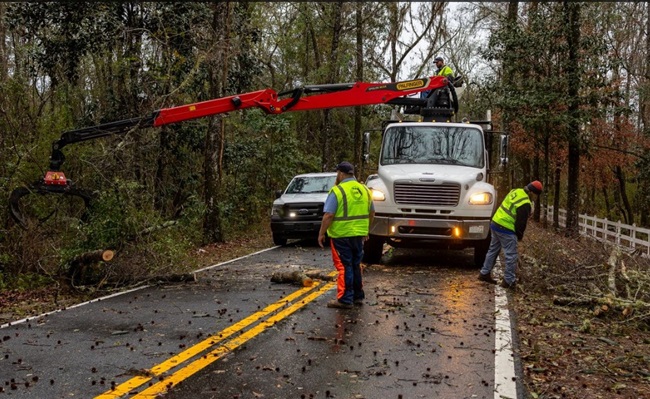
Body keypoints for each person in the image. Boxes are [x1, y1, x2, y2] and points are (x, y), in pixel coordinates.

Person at [318, 161, 375, 309]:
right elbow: (372, 212)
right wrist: (366, 229)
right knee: (356, 265)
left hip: (341, 235)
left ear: (341, 174)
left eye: (337, 173)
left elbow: (329, 215)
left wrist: (321, 233)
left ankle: (344, 299)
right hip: (359, 234)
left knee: (344, 266)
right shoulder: (364, 189)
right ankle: (358, 296)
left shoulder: (338, 191)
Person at [478, 180, 543, 289]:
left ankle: (484, 273)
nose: (535, 198)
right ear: (532, 193)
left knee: (492, 250)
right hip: (506, 228)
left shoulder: (515, 191)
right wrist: (519, 235)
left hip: (496, 222)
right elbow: (521, 223)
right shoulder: (525, 203)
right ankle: (509, 281)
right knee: (511, 255)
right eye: (536, 195)